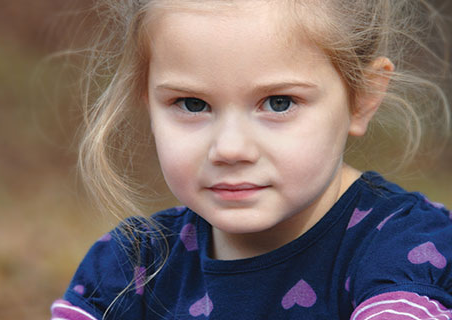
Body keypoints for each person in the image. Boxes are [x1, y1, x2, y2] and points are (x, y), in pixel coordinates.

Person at [51, 0, 452, 319]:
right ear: (149, 103)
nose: (230, 148)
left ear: (361, 98)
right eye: (192, 104)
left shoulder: (408, 253)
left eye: (279, 103)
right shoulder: (130, 268)